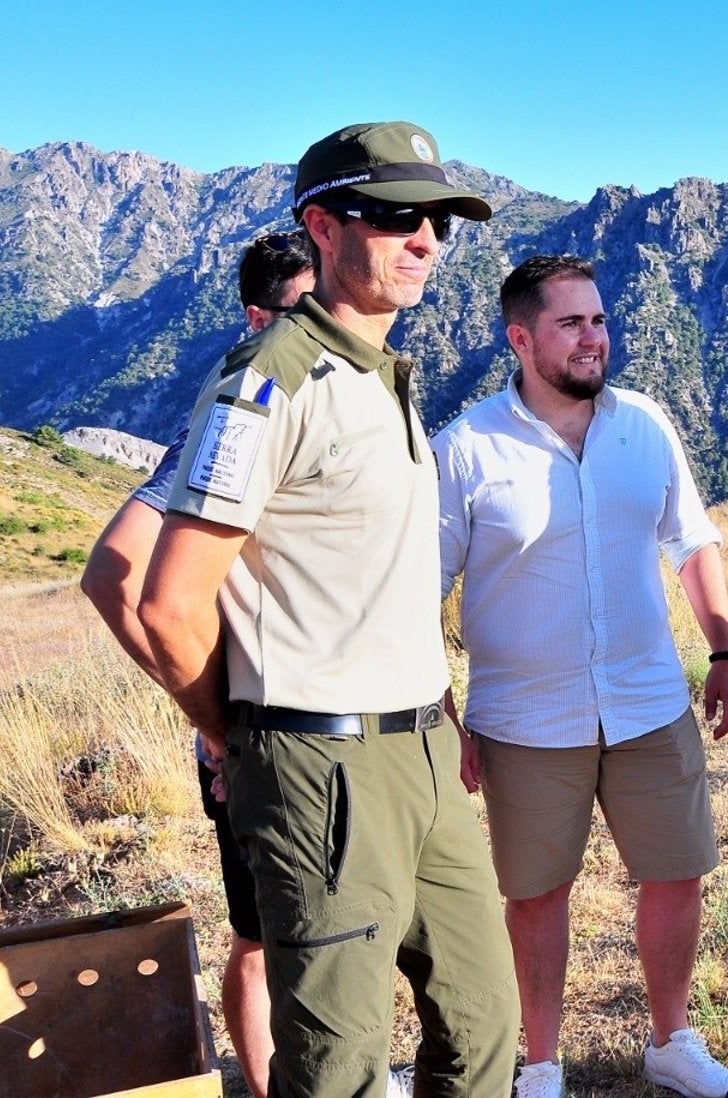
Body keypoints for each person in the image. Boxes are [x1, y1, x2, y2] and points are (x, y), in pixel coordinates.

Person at [138, 121, 522, 1098]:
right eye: (395, 214)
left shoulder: (378, 371)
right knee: (340, 1064)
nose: (426, 236)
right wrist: (244, 737)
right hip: (320, 759)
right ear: (319, 223)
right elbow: (165, 604)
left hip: (423, 747)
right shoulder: (268, 383)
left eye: (437, 216)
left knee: (484, 1027)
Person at [432, 254, 728, 1098]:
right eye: (571, 323)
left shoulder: (645, 423)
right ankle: (539, 1064)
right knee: (536, 895)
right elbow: (417, 589)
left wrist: (723, 649)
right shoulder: (464, 450)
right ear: (521, 339)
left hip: (649, 701)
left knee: (678, 871)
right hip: (526, 721)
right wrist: (443, 711)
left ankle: (672, 1040)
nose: (593, 337)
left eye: (599, 320)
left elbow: (692, 538)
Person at [82, 231, 315, 1098]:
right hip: (257, 729)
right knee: (265, 939)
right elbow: (111, 574)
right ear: (258, 317)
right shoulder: (230, 424)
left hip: (307, 724)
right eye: (302, 312)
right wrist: (212, 723)